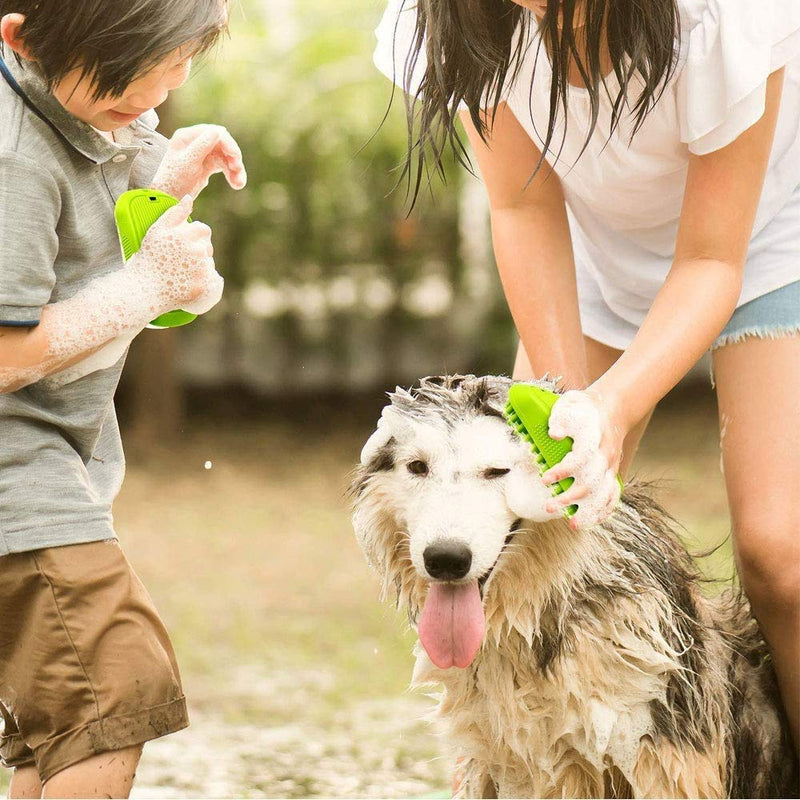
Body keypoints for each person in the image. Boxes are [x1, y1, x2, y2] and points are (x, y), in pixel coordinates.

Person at [373, 0, 800, 757]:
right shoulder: (456, 16)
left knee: (781, 555)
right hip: (590, 257)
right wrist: (569, 410)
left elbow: (711, 259)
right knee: (540, 547)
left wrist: (616, 405)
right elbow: (522, 205)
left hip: (770, 244)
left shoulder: (723, 17)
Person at [0, 1, 246, 796]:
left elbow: (91, 242)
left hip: (46, 467)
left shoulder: (86, 111)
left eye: (178, 63)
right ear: (21, 39)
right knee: (116, 695)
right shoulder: (12, 156)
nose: (160, 90)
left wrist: (170, 181)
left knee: (63, 731)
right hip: (13, 471)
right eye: (129, 74)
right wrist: (144, 289)